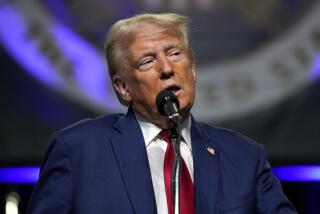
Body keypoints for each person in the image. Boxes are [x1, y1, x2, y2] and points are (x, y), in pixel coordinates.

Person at [27, 13, 297, 214]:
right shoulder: (78, 150)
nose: (167, 68)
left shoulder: (245, 156)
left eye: (175, 53)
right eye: (147, 61)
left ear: (193, 70)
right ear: (123, 88)